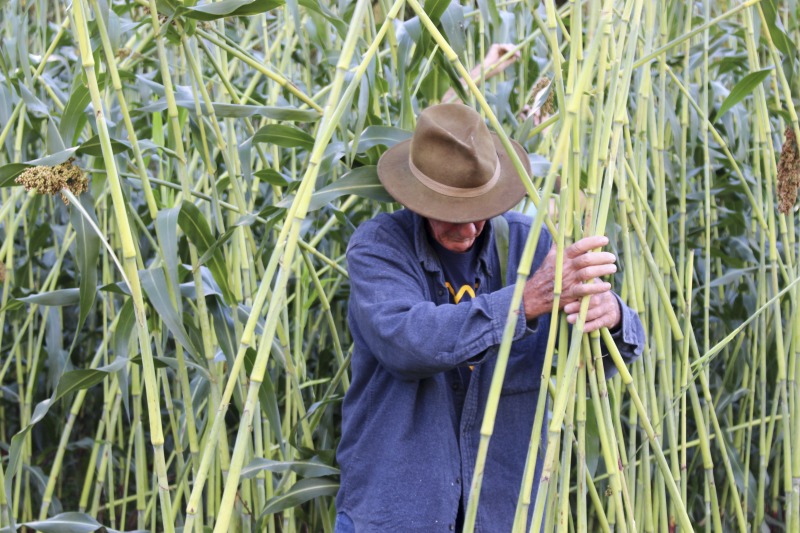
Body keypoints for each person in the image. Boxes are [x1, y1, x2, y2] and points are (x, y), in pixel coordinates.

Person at [334, 104, 645, 532]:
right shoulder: (379, 248)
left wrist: (610, 319)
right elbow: (408, 342)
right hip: (397, 511)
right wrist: (522, 303)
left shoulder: (530, 246)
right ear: (417, 199)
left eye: (476, 212)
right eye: (449, 214)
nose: (466, 230)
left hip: (502, 510)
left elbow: (601, 359)